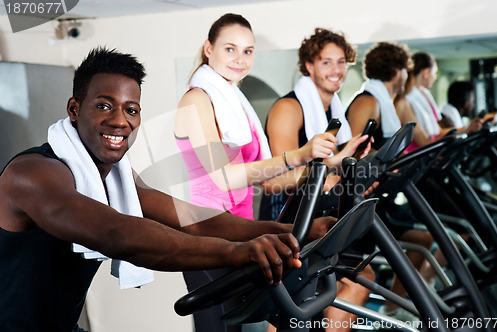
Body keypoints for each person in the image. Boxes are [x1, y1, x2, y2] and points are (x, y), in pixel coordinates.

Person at [0, 47, 336, 332]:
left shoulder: (116, 177)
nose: (120, 120)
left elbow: (193, 219)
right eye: (104, 105)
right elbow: (115, 232)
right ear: (74, 110)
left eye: (131, 109)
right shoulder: (32, 174)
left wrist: (293, 232)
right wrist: (234, 252)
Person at [174, 14, 367, 332]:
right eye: (230, 49)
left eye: (248, 51)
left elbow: (268, 176)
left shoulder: (235, 102)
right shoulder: (197, 100)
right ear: (209, 49)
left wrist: (331, 162)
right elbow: (226, 177)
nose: (240, 60)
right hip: (206, 232)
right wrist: (300, 155)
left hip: (238, 227)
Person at [259, 28, 374, 332]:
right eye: (326, 62)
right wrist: (327, 180)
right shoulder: (290, 108)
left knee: (359, 279)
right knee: (298, 300)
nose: (336, 70)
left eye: (341, 62)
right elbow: (276, 178)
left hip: (318, 217)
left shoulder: (333, 110)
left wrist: (348, 167)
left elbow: (326, 167)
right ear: (309, 66)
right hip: (285, 220)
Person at [346, 42, 433, 323]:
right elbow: (355, 154)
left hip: (382, 198)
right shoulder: (368, 101)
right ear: (398, 71)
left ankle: (395, 307)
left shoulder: (387, 102)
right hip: (360, 203)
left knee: (423, 238)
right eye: (405, 71)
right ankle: (395, 309)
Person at [394, 52, 448, 151]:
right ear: (425, 72)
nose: (435, 77)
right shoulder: (403, 102)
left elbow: (436, 133)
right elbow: (424, 141)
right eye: (434, 73)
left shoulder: (424, 96)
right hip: (414, 159)